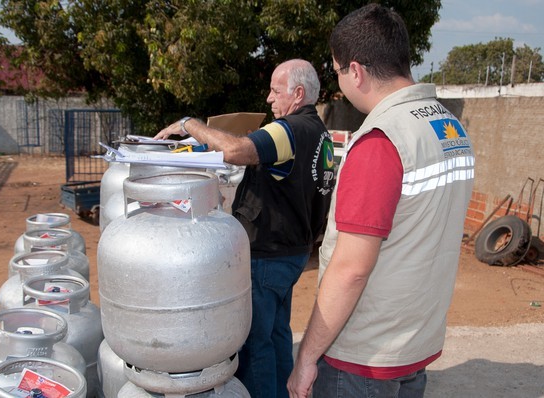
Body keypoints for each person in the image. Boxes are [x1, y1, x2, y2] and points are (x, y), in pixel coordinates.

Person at [287, 4, 475, 398]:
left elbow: (351, 270)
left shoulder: (381, 142)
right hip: (415, 344)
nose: (340, 83)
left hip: (361, 358)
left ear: (355, 71)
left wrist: (306, 358)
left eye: (338, 72)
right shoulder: (449, 127)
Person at [155, 58, 336, 397]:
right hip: (294, 254)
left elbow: (237, 151)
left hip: (266, 256)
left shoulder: (289, 129)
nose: (269, 99)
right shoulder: (320, 133)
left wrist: (189, 123)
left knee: (254, 346)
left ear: (298, 94)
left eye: (275, 90)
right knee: (278, 335)